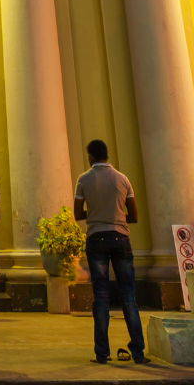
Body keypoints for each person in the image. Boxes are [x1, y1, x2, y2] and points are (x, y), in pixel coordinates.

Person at [74, 139, 147, 364]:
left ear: (91, 157)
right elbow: (134, 216)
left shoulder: (84, 179)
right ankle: (137, 352)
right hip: (121, 238)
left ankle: (101, 353)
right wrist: (115, 215)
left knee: (101, 297)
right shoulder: (122, 178)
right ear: (107, 155)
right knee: (128, 296)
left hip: (96, 238)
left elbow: (78, 213)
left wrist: (96, 214)